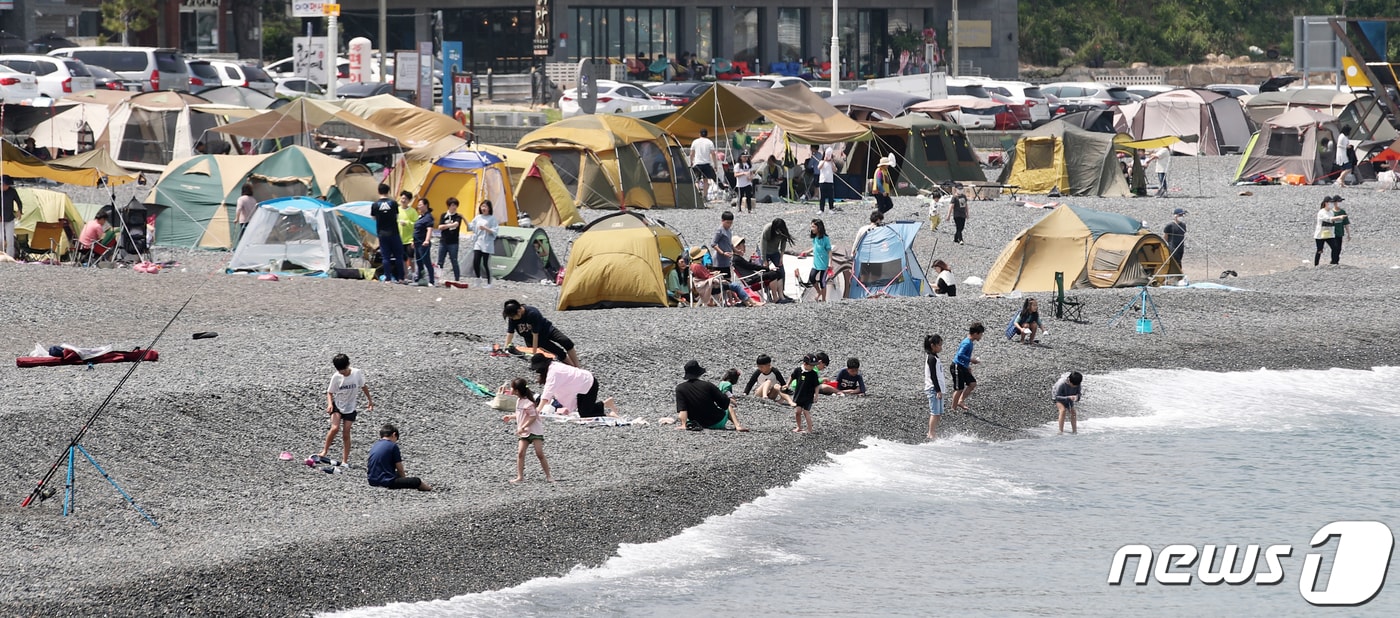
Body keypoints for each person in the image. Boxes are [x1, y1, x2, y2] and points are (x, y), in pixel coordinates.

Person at [321, 353, 372, 463]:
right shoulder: (336, 377)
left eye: (343, 369)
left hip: (350, 407)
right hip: (338, 406)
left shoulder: (356, 373)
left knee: (346, 433)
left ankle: (345, 460)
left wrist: (370, 400)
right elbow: (329, 393)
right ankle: (324, 451)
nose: (342, 372)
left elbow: (363, 386)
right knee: (335, 428)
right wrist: (330, 404)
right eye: (340, 370)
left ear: (348, 364)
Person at [532, 353, 618, 418]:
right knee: (584, 410)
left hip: (589, 383)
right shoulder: (553, 366)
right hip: (582, 384)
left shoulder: (553, 372)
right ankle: (605, 404)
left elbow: (548, 391)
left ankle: (610, 415)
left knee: (585, 414)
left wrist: (538, 409)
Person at [501, 377, 553, 482]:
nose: (510, 389)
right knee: (520, 453)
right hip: (524, 432)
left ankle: (549, 476)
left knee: (539, 453)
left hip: (534, 431)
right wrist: (511, 417)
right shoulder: (519, 401)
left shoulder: (528, 403)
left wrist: (523, 427)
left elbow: (533, 417)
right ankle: (520, 477)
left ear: (517, 390)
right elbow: (521, 415)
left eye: (512, 388)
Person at [674, 360, 748, 431]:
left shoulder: (680, 388)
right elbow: (724, 403)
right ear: (699, 373)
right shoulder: (708, 385)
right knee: (729, 407)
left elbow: (682, 410)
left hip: (697, 423)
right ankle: (738, 425)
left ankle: (683, 424)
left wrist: (683, 425)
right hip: (716, 423)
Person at [504, 299, 581, 367]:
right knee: (559, 352)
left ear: (519, 311)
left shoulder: (532, 313)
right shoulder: (512, 317)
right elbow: (510, 333)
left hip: (547, 330)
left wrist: (535, 352)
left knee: (566, 341)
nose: (512, 319)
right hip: (533, 339)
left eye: (513, 317)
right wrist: (506, 347)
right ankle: (573, 367)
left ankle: (577, 366)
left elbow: (535, 334)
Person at [366, 425, 432, 491]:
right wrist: (404, 480)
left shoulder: (376, 445)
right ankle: (429, 489)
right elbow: (399, 467)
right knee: (416, 481)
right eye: (396, 439)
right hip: (386, 482)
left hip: (372, 481)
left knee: (395, 474)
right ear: (394, 434)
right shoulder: (392, 446)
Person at [731, 237, 783, 302]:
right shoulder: (737, 259)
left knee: (778, 273)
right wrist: (765, 268)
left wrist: (751, 261)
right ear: (737, 247)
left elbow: (747, 266)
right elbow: (750, 266)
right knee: (773, 274)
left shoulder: (737, 258)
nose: (745, 247)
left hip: (752, 278)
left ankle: (781, 296)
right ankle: (775, 298)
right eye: (743, 245)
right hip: (751, 280)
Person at [371, 184, 404, 282]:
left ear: (378, 192)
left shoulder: (375, 205)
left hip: (382, 233)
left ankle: (388, 278)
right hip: (394, 232)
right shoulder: (393, 203)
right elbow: (397, 216)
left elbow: (373, 218)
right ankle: (401, 278)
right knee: (398, 256)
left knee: (385, 257)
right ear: (388, 191)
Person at [949, 322, 984, 411]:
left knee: (972, 384)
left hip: (963, 366)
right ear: (976, 334)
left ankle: (960, 401)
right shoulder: (967, 343)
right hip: (957, 366)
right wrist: (971, 360)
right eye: (981, 334)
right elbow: (960, 355)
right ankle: (953, 408)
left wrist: (967, 366)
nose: (981, 336)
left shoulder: (970, 342)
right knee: (959, 388)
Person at [469, 200, 500, 287]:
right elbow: (471, 226)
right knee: (476, 261)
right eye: (482, 206)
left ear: (489, 208)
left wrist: (486, 228)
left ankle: (490, 282)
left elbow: (495, 231)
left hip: (487, 243)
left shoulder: (492, 218)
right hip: (478, 242)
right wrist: (463, 218)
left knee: (486, 263)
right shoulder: (478, 217)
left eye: (485, 206)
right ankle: (478, 279)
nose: (483, 208)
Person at [800, 219, 832, 302]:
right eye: (811, 226)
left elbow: (829, 250)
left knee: (822, 281)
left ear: (819, 227)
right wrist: (807, 251)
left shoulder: (825, 238)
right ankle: (819, 292)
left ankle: (824, 300)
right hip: (816, 263)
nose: (811, 228)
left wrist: (830, 262)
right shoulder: (815, 238)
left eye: (813, 226)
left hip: (824, 264)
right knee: (812, 277)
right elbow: (815, 247)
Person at [790, 353, 821, 433]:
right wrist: (787, 385)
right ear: (805, 364)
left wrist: (816, 395)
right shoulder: (798, 370)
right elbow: (792, 377)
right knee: (797, 411)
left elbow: (817, 385)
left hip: (808, 396)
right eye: (811, 365)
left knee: (806, 412)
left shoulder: (813, 374)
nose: (813, 367)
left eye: (814, 366)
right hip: (798, 395)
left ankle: (810, 429)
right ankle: (799, 427)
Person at [923, 334, 946, 440]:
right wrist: (938, 390)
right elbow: (933, 375)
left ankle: (933, 432)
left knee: (939, 412)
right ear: (933, 345)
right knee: (934, 412)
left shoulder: (935, 357)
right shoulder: (931, 358)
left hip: (938, 388)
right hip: (933, 388)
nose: (941, 347)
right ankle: (931, 433)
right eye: (939, 345)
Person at [437, 197, 463, 281]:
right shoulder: (443, 215)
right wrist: (448, 225)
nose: (454, 207)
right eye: (452, 205)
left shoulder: (457, 216)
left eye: (455, 205)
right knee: (440, 261)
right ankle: (437, 278)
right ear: (448, 206)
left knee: (454, 260)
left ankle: (457, 279)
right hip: (443, 241)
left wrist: (446, 226)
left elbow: (456, 224)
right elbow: (440, 227)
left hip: (453, 242)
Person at [412, 198, 436, 287]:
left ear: (426, 205)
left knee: (427, 261)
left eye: (420, 204)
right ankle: (421, 279)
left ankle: (432, 280)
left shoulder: (428, 217)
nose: (418, 206)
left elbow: (429, 229)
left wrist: (427, 240)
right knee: (419, 262)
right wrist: (413, 241)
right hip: (417, 242)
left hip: (423, 243)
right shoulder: (421, 216)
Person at [1314, 197, 1344, 266]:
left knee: (1335, 247)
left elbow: (1332, 221)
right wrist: (1338, 217)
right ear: (1326, 203)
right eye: (1330, 203)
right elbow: (1328, 219)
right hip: (1320, 235)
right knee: (1320, 250)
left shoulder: (1331, 212)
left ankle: (1334, 262)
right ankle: (1316, 265)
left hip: (1329, 234)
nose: (1331, 204)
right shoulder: (1321, 212)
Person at [397, 191, 418, 282]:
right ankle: (404, 275)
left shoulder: (412, 211)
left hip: (409, 239)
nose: (403, 200)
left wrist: (407, 223)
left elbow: (417, 225)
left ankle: (413, 274)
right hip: (399, 238)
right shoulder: (397, 210)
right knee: (402, 258)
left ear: (409, 200)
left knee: (411, 257)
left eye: (405, 199)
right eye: (402, 198)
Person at [691, 129, 717, 200]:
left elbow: (691, 153)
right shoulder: (709, 142)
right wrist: (715, 164)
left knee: (697, 180)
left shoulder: (695, 142)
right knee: (706, 180)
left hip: (697, 163)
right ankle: (705, 196)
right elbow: (713, 154)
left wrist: (691, 161)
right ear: (707, 134)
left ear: (699, 134)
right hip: (706, 163)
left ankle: (697, 195)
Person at [1, 176, 23, 259]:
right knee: (0, 239)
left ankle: (10, 257)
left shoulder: (12, 191)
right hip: (0, 219)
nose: (5, 186)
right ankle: (1, 256)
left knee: (10, 239)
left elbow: (19, 202)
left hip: (9, 218)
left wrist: (19, 211)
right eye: (3, 184)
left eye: (7, 185)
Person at [1330, 195, 1351, 264]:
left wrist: (1348, 234)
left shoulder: (1342, 212)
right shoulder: (1331, 212)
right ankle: (1333, 261)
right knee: (1334, 247)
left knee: (1339, 248)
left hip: (1340, 232)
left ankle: (1336, 260)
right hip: (1332, 233)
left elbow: (1346, 223)